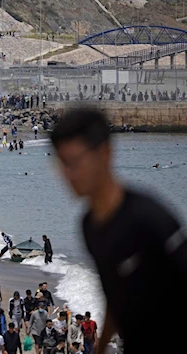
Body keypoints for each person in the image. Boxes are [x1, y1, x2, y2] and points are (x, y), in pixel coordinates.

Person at [51, 107, 187, 354]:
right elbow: (116, 295)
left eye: (74, 163)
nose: (68, 175)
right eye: (61, 165)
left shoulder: (150, 219)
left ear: (104, 153)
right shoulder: (89, 226)